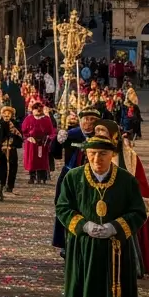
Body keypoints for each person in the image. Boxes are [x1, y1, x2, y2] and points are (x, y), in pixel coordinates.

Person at [55, 135, 148, 297]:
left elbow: (138, 212)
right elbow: (63, 207)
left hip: (114, 250)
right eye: (93, 154)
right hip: (83, 248)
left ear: (112, 155)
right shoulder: (74, 177)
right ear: (86, 154)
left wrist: (115, 227)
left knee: (113, 293)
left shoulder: (126, 180)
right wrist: (83, 225)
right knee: (86, 291)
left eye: (103, 154)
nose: (97, 158)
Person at [94, 121, 149, 277]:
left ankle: (130, 265)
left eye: (103, 131)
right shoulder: (92, 152)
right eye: (97, 131)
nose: (100, 134)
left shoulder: (128, 155)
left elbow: (139, 178)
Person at [51, 108, 100, 253]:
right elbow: (55, 153)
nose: (89, 123)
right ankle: (66, 242)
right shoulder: (72, 134)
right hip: (70, 175)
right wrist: (57, 140)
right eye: (86, 119)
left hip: (93, 178)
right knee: (65, 207)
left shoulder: (101, 136)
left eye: (93, 120)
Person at [21, 102, 54, 184]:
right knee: (32, 160)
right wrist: (28, 137)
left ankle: (42, 177)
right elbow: (24, 130)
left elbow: (51, 131)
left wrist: (47, 138)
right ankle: (32, 177)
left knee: (42, 160)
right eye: (36, 109)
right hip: (32, 143)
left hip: (43, 142)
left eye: (39, 109)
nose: (38, 110)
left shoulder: (46, 119)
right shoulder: (29, 119)